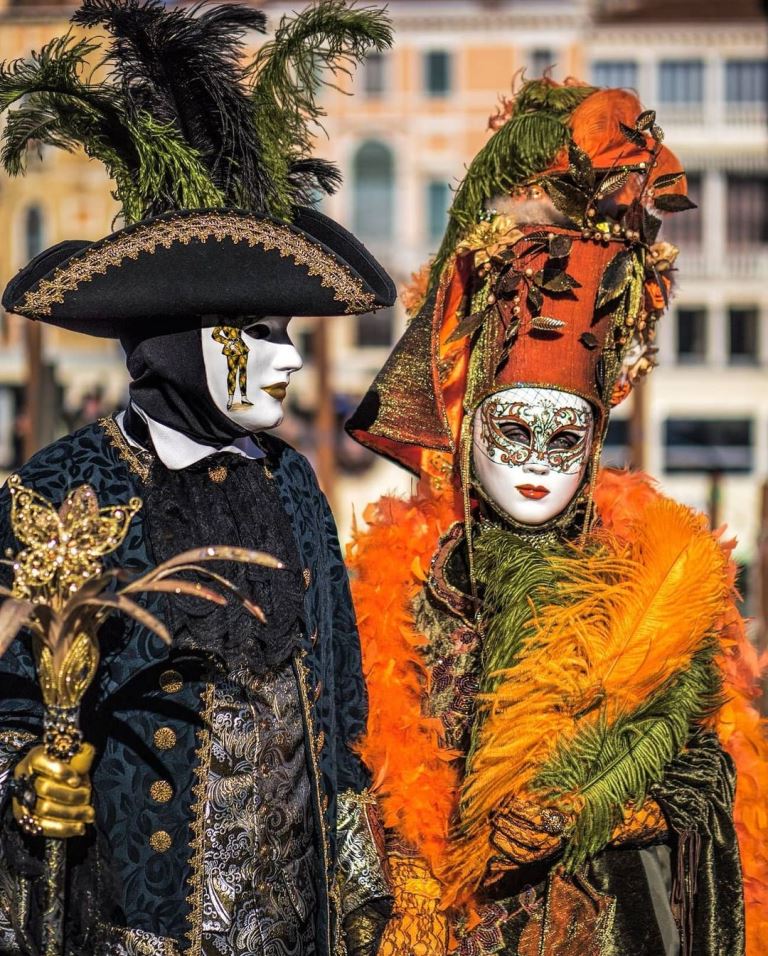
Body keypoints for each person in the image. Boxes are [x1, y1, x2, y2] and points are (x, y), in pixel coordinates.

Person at [0, 2, 396, 954]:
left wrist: (359, 899)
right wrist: (23, 782)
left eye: (286, 333)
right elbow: (11, 706)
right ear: (176, 342)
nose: (286, 359)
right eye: (256, 334)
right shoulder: (65, 488)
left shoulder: (293, 482)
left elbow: (339, 698)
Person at [345, 79, 767, 955]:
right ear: (468, 428)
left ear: (595, 437)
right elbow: (343, 771)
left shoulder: (657, 579)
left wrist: (596, 804)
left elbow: (716, 777)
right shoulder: (398, 591)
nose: (539, 460)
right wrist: (402, 878)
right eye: (514, 429)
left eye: (564, 434)